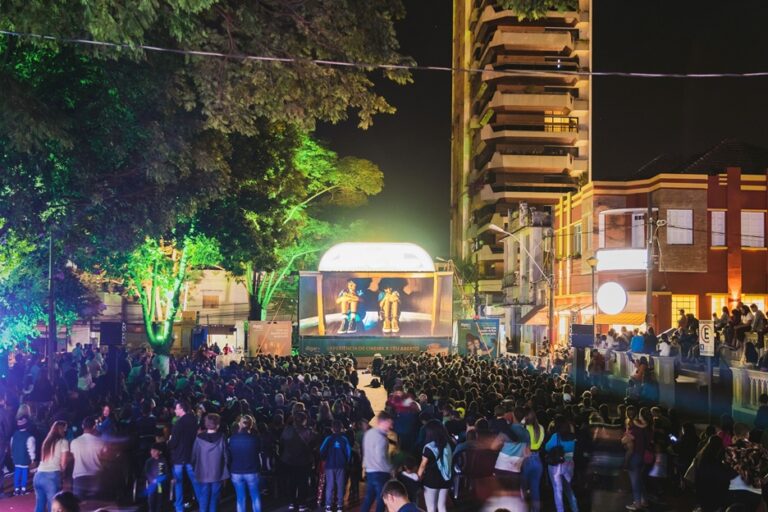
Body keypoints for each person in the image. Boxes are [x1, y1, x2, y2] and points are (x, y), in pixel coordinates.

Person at [191, 413, 229, 512]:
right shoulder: (221, 437)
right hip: (218, 472)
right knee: (214, 498)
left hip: (203, 472)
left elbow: (194, 455)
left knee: (203, 497)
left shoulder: (199, 438)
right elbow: (226, 456)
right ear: (218, 424)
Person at [280, 411, 317, 512]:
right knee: (302, 483)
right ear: (304, 420)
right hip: (303, 462)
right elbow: (314, 443)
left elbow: (281, 443)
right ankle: (302, 505)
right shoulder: (307, 432)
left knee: (291, 482)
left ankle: (292, 503)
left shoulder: (287, 430)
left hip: (288, 461)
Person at [168, 400, 199, 512]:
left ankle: (179, 508)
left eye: (176, 408)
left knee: (178, 483)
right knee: (196, 482)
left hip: (179, 457)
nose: (175, 410)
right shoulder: (194, 420)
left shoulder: (179, 424)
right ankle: (203, 505)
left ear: (181, 409)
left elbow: (174, 443)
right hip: (191, 456)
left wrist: (169, 443)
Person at [361, 411, 395, 512]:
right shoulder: (381, 438)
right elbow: (381, 457)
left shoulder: (368, 433)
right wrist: (391, 469)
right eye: (389, 423)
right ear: (383, 422)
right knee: (381, 501)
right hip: (381, 473)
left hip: (370, 471)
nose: (391, 426)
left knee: (368, 499)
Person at [417, 420, 452, 512]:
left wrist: (418, 477)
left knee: (431, 508)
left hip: (431, 480)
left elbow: (423, 465)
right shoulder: (449, 443)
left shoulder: (429, 447)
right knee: (442, 506)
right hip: (446, 478)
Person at [229, 415, 262, 512]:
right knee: (255, 496)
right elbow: (258, 451)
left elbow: (230, 454)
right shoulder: (255, 439)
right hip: (252, 470)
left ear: (240, 424)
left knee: (240, 498)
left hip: (236, 471)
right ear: (251, 425)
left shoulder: (232, 439)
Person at [545, 415, 578, 512]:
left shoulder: (556, 436)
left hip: (556, 465)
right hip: (569, 465)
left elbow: (547, 448)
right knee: (568, 489)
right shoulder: (573, 437)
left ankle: (560, 510)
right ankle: (575, 508)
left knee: (558, 490)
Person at [34, 420, 69, 512]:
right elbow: (63, 462)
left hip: (38, 475)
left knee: (39, 505)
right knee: (53, 506)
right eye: (65, 428)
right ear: (62, 430)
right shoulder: (63, 442)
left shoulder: (46, 442)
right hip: (51, 476)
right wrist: (63, 475)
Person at [69, 416, 107, 500]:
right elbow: (104, 459)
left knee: (79, 506)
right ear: (94, 426)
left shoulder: (75, 442)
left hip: (79, 476)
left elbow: (73, 459)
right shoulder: (100, 442)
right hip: (96, 476)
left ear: (82, 426)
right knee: (95, 505)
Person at [320, 419, 352, 512]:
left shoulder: (328, 438)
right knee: (340, 485)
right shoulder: (344, 439)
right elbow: (349, 453)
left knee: (330, 485)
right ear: (341, 428)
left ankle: (328, 506)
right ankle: (340, 506)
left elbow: (322, 450)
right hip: (341, 465)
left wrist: (324, 459)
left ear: (332, 429)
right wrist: (346, 462)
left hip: (329, 465)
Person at [693, 435, 730, 512]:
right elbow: (723, 480)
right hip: (715, 495)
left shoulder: (701, 457)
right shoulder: (718, 461)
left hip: (702, 492)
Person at [522, 410, 545, 512]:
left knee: (523, 489)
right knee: (535, 489)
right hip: (537, 459)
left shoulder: (525, 428)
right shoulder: (541, 428)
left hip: (526, 458)